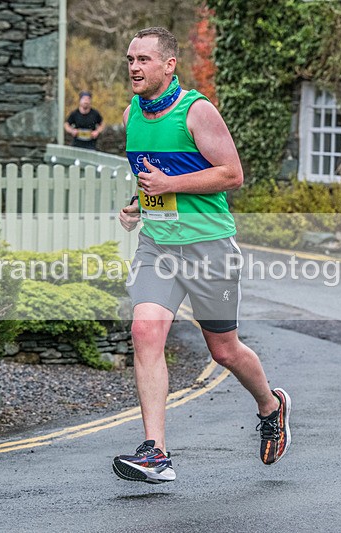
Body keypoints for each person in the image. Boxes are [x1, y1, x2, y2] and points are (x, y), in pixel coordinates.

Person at [113, 27, 290, 484]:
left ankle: (271, 405)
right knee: (145, 331)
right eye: (130, 59)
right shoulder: (134, 111)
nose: (134, 66)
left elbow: (232, 174)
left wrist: (169, 186)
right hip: (159, 245)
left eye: (144, 60)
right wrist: (139, 203)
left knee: (224, 349)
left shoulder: (196, 110)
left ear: (169, 65)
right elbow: (153, 174)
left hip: (209, 246)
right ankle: (156, 452)